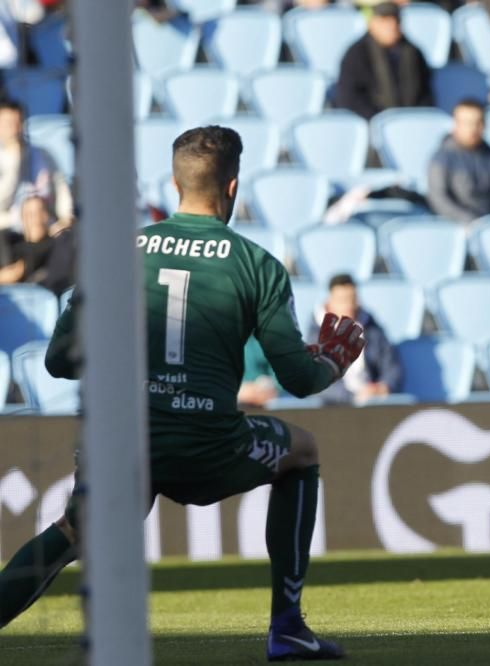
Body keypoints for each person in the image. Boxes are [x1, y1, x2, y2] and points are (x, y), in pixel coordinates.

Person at [0, 126, 365, 661]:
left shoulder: (119, 254)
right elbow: (299, 380)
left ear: (174, 183)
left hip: (121, 443)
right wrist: (334, 359)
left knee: (76, 528)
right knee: (301, 450)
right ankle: (286, 628)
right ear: (234, 187)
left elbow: (58, 361)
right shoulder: (257, 265)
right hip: (208, 448)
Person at [426, 98, 490, 224]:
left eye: (477, 123)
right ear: (456, 124)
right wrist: (468, 222)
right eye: (466, 123)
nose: (472, 129)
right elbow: (438, 199)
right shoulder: (441, 159)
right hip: (457, 228)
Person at [309, 274, 402, 405]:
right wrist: (353, 397)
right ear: (329, 302)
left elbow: (392, 366)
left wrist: (383, 387)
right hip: (334, 407)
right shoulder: (316, 335)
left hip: (373, 401)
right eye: (343, 300)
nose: (349, 305)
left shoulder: (372, 329)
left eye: (352, 299)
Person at [333, 2, 434, 120]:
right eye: (385, 20)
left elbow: (425, 93)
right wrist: (378, 119)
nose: (391, 25)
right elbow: (349, 98)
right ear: (372, 24)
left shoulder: (414, 53)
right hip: (371, 123)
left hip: (411, 123)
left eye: (395, 20)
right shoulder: (356, 55)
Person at [0, 100, 74, 230]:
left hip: (45, 230)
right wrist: (14, 161)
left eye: (17, 123)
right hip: (9, 234)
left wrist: (66, 218)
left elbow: (60, 187)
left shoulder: (41, 155)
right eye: (7, 124)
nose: (13, 129)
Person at [0, 194, 56, 285]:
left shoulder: (52, 245)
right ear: (22, 218)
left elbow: (15, 274)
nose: (33, 219)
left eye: (37, 213)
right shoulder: (12, 241)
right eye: (28, 214)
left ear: (45, 216)